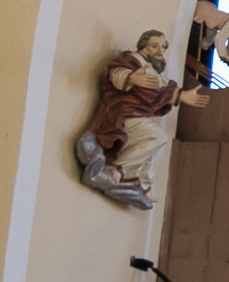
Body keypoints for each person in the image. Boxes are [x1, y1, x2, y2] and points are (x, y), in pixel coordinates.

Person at [76, 29, 205, 209]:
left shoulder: (153, 69)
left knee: (148, 151)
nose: (159, 51)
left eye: (163, 47)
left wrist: (181, 95)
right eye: (154, 46)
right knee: (157, 137)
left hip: (137, 115)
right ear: (143, 46)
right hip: (121, 114)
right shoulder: (132, 60)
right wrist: (130, 78)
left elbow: (163, 87)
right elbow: (115, 73)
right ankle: (116, 170)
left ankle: (141, 185)